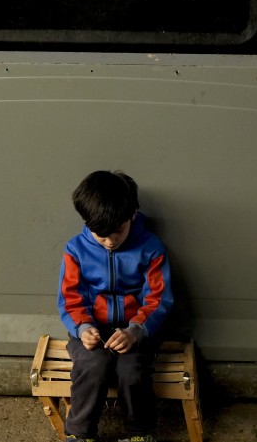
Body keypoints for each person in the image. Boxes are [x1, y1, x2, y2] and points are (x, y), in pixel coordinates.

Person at [57, 170, 174, 442]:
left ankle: (140, 433)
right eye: (101, 235)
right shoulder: (75, 250)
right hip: (90, 330)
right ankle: (79, 434)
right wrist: (83, 328)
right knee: (91, 366)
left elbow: (159, 298)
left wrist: (136, 330)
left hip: (137, 331)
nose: (110, 241)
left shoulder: (152, 248)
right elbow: (69, 297)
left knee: (132, 371)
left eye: (118, 231)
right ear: (87, 221)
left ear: (133, 213)